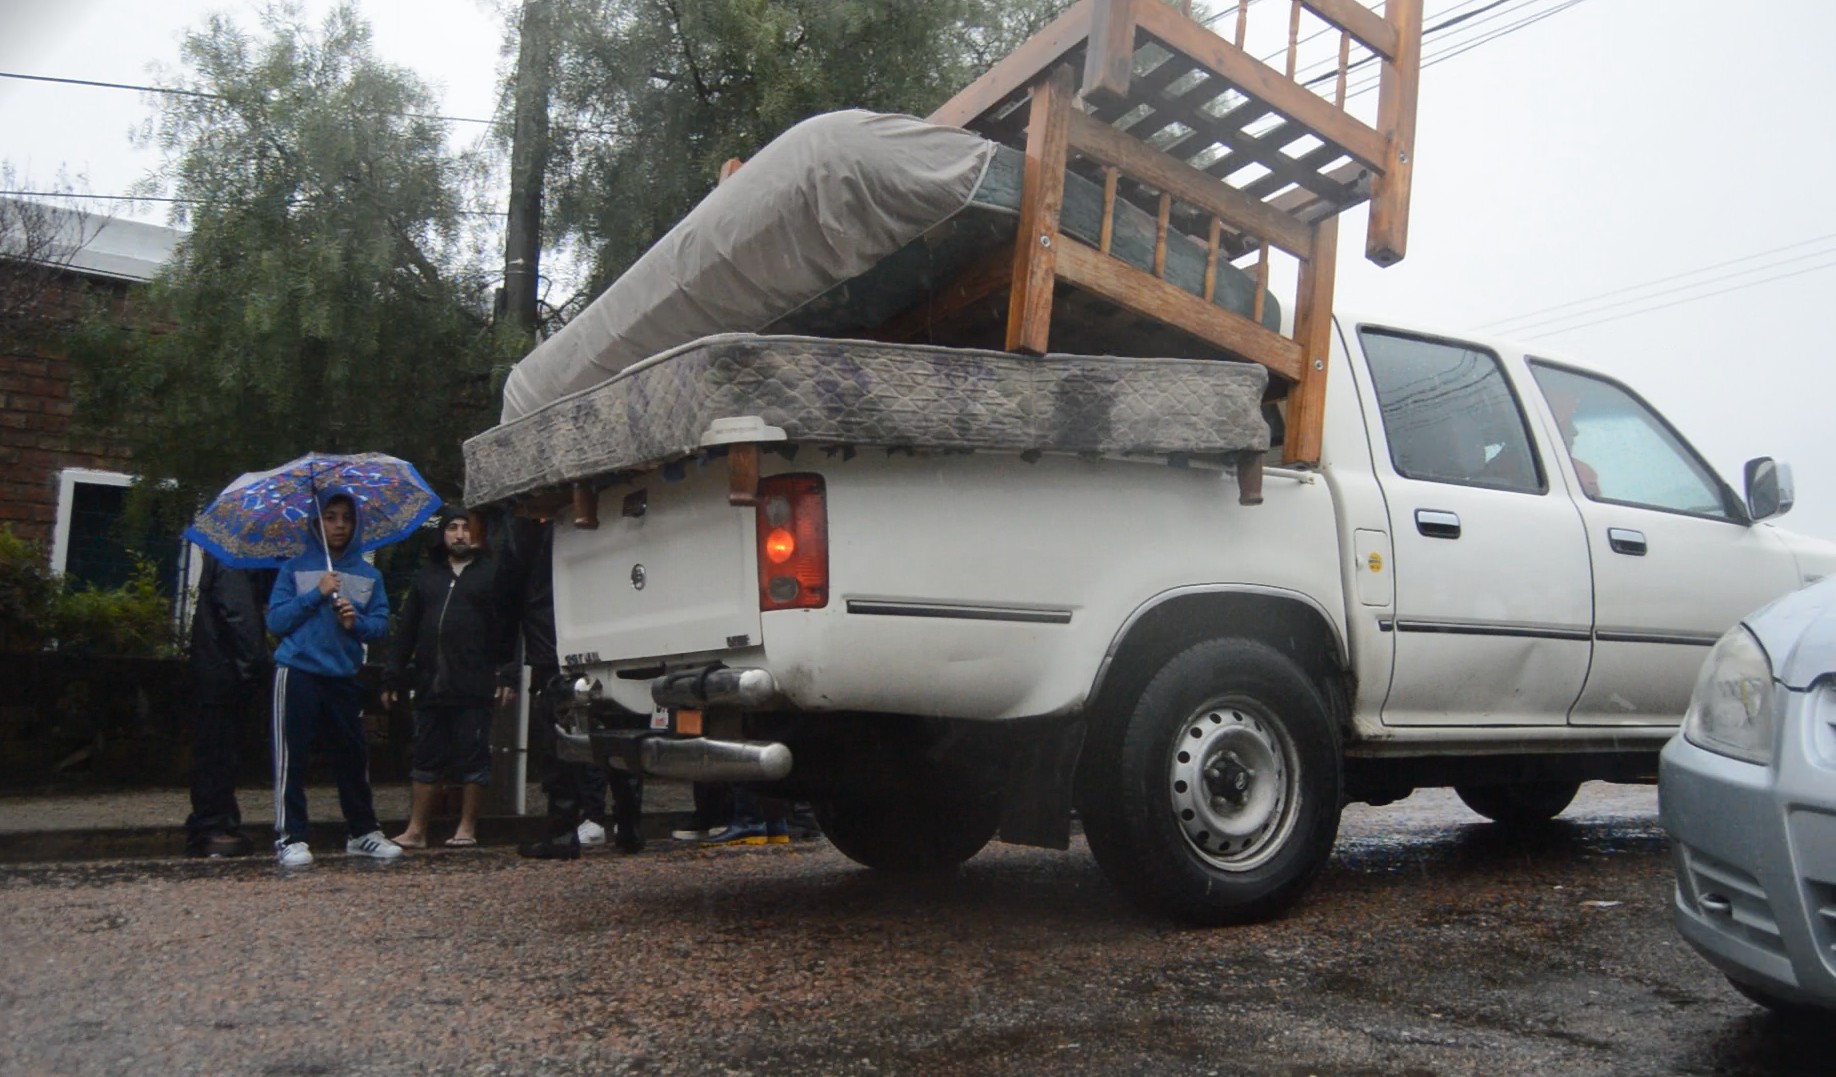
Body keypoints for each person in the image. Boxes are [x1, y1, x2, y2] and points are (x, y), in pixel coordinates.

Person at [264, 490, 402, 868]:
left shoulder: (368, 575)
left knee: (352, 757)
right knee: (292, 757)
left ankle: (362, 832)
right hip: (297, 672)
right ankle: (291, 837)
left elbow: (380, 626)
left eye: (346, 518)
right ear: (316, 523)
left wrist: (355, 620)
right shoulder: (293, 569)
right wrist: (316, 594)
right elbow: (276, 621)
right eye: (330, 517)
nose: (339, 525)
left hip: (342, 675)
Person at [496, 515, 644, 859]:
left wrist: (504, 656)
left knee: (560, 735)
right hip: (609, 628)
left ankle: (563, 832)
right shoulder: (602, 506)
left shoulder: (529, 520)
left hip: (554, 634)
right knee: (618, 721)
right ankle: (629, 826)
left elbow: (507, 588)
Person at [383, 507, 508, 850]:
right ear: (442, 534)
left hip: (474, 684)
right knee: (425, 757)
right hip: (430, 683)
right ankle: (416, 830)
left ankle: (467, 827)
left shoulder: (491, 575)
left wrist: (506, 673)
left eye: (466, 527)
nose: (460, 534)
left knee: (473, 757)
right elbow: (407, 629)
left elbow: (505, 630)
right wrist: (392, 675)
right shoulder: (428, 576)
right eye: (453, 527)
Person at [183, 553, 275, 858]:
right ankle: (211, 825)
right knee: (218, 751)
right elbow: (239, 615)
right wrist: (254, 668)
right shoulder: (233, 560)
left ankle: (217, 821)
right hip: (224, 670)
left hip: (218, 667)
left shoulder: (234, 559)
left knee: (219, 751)